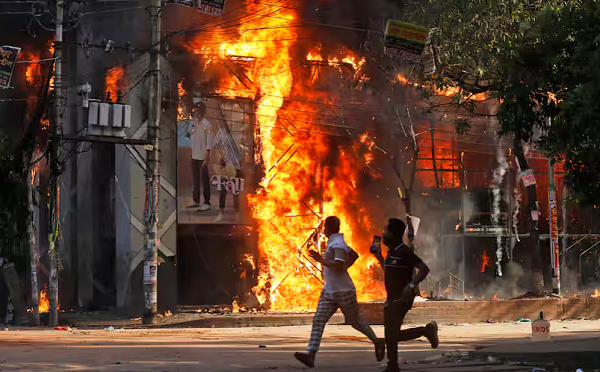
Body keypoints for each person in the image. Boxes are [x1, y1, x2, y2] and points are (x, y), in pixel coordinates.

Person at [295, 216, 385, 368]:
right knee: (318, 320)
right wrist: (344, 267)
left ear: (328, 228)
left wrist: (319, 259)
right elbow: (354, 255)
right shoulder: (335, 242)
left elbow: (337, 265)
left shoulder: (337, 244)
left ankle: (378, 341)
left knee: (355, 322)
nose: (323, 230)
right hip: (329, 291)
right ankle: (311, 354)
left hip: (344, 291)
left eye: (324, 227)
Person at [371, 218, 439, 372]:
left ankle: (393, 365)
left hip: (402, 298)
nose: (383, 234)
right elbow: (389, 270)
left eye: (386, 231)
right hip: (391, 297)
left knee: (391, 334)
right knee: (391, 335)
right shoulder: (391, 253)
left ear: (394, 234)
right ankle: (425, 332)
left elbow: (423, 269)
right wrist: (379, 257)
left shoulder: (404, 252)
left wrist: (410, 285)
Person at [187, 98, 214, 212]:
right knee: (196, 179)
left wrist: (206, 159)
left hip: (203, 157)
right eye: (195, 110)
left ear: (202, 111)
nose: (195, 112)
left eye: (197, 110)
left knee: (205, 179)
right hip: (194, 155)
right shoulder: (194, 122)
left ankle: (207, 202)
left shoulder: (207, 125)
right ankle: (196, 200)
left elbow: (209, 144)